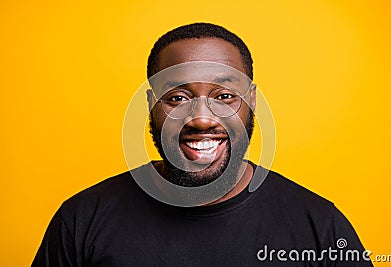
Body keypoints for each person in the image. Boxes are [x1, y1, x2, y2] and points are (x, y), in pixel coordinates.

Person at [33, 23, 373, 266]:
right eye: (178, 97)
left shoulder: (319, 226)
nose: (201, 119)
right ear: (152, 104)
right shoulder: (81, 221)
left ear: (251, 101)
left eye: (225, 96)